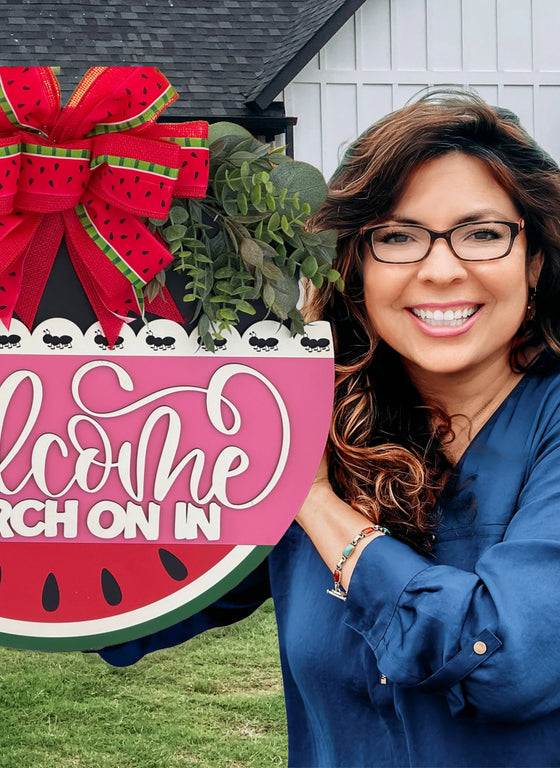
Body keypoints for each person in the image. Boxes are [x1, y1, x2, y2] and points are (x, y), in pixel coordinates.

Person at [98, 92, 560, 766]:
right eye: (397, 237)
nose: (439, 269)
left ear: (534, 259)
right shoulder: (322, 423)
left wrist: (312, 499)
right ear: (355, 267)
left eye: (482, 233)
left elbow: (505, 661)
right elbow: (130, 609)